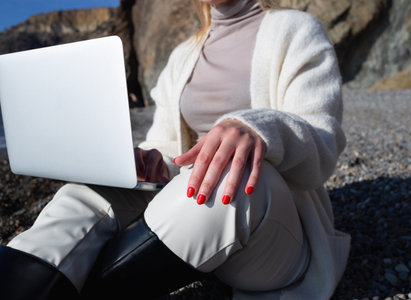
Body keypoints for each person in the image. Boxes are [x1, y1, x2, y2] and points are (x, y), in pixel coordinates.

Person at [0, 0, 351, 299]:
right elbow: (167, 144)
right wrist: (149, 159)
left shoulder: (297, 30)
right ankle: (22, 283)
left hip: (271, 231)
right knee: (89, 190)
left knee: (230, 172)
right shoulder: (184, 55)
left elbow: (324, 142)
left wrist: (255, 129)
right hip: (190, 228)